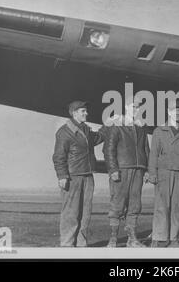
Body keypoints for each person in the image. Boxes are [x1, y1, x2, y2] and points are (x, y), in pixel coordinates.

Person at [52, 101, 104, 247]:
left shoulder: (85, 130)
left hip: (87, 176)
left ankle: (81, 244)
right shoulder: (64, 132)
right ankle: (67, 245)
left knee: (85, 214)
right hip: (73, 177)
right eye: (83, 111)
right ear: (74, 113)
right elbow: (58, 157)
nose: (86, 113)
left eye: (86, 111)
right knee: (70, 213)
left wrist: (109, 125)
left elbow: (98, 138)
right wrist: (62, 176)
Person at [104, 99, 149, 248]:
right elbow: (108, 150)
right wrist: (113, 170)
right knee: (117, 204)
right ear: (126, 107)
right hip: (121, 170)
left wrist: (147, 169)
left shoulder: (141, 127)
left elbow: (146, 150)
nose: (136, 110)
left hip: (138, 170)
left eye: (138, 107)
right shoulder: (116, 126)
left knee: (135, 205)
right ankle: (113, 239)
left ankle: (132, 239)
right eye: (133, 107)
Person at [147, 102, 179, 247]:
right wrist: (152, 173)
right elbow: (153, 154)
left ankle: (173, 238)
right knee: (161, 206)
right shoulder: (159, 131)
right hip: (163, 173)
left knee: (176, 207)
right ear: (168, 111)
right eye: (174, 110)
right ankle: (159, 237)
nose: (177, 113)